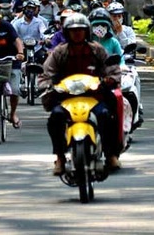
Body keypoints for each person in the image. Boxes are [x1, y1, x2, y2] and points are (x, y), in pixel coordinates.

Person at [39, 13, 121, 175]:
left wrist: (109, 80)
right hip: (66, 98)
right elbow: (46, 73)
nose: (77, 33)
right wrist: (48, 85)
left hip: (94, 97)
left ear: (87, 31)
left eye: (80, 30)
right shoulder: (59, 52)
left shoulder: (97, 50)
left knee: (106, 116)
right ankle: (60, 157)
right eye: (73, 30)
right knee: (55, 118)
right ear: (67, 32)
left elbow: (112, 69)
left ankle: (110, 154)